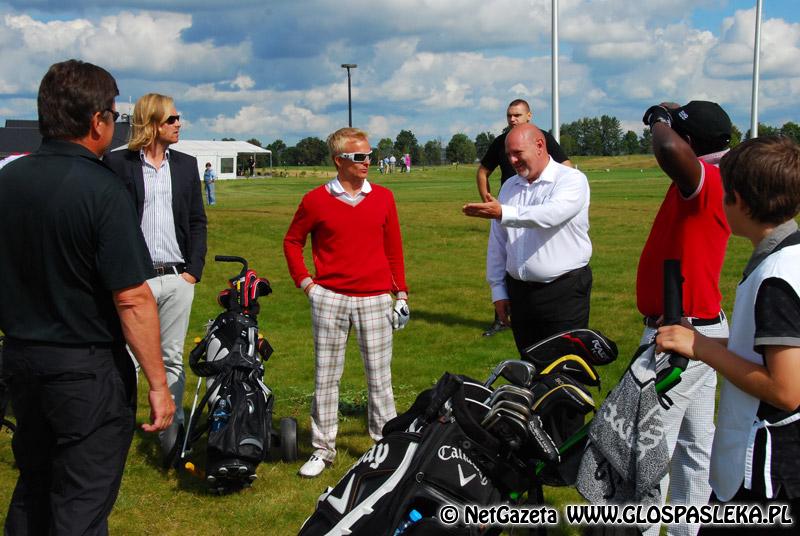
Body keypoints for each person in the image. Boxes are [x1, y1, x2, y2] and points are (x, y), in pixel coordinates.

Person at [0, 59, 174, 535]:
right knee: (80, 502)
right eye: (114, 116)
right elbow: (133, 297)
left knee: (33, 487)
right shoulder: (102, 189)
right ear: (96, 121)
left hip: (21, 361)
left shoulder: (8, 181)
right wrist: (159, 384)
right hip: (84, 367)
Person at [657, 136, 800, 534]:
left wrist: (699, 345)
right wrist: (697, 343)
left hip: (768, 479)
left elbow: (787, 389)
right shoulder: (790, 255)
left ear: (738, 200)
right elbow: (767, 352)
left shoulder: (776, 278)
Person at [284, 127, 409, 478]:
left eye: (370, 154)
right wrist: (307, 284)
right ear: (338, 161)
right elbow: (293, 242)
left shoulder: (384, 197)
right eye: (359, 157)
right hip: (330, 299)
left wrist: (401, 293)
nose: (367, 161)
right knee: (326, 377)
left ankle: (385, 446)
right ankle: (323, 450)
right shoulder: (314, 200)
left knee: (380, 378)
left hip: (375, 299)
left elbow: (393, 249)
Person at [638, 101, 733, 536]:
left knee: (647, 446)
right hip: (700, 325)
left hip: (679, 334)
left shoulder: (707, 179)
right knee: (695, 446)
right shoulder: (717, 173)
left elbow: (669, 148)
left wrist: (659, 118)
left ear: (692, 145)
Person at [105, 93, 208, 467]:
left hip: (177, 276)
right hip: (136, 279)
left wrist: (192, 271)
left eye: (179, 118)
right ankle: (115, 428)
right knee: (129, 356)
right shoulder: (118, 163)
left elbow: (197, 221)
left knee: (172, 357)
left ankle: (172, 430)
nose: (179, 124)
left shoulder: (185, 165)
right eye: (172, 119)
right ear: (151, 123)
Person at [463, 123, 592, 355]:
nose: (512, 161)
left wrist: (503, 212)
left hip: (564, 293)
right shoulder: (510, 187)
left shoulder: (571, 180)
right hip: (520, 295)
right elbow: (498, 242)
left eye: (518, 153)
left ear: (540, 145)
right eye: (508, 155)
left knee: (566, 371)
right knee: (529, 368)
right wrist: (498, 290)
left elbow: (551, 215)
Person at [476, 99, 572, 337]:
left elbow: (552, 211)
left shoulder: (548, 142)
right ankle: (501, 318)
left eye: (517, 115)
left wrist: (502, 212)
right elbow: (483, 170)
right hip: (509, 205)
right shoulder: (502, 150)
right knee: (511, 256)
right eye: (509, 115)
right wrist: (491, 202)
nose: (512, 119)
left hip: (562, 287)